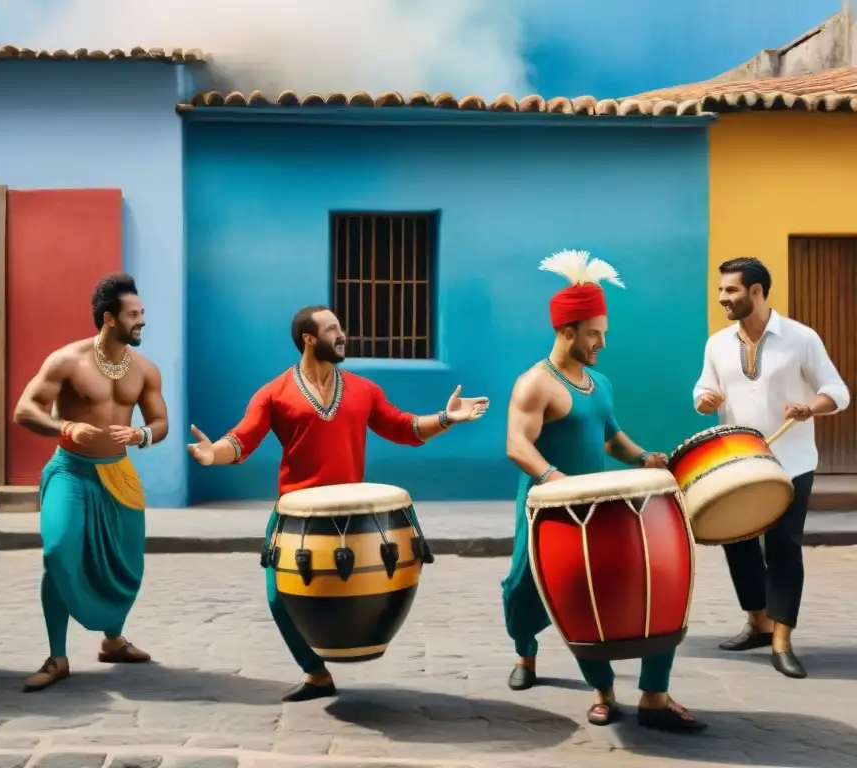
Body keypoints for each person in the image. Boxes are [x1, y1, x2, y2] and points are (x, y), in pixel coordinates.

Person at [187, 304, 489, 703]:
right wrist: (213, 454)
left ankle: (353, 648)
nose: (342, 334)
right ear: (309, 339)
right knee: (279, 599)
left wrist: (446, 418)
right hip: (294, 514)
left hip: (352, 517)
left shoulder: (364, 390)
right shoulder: (274, 393)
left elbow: (405, 428)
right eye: (332, 329)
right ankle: (316, 674)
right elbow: (242, 439)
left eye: (340, 327)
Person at [504, 249, 705, 732]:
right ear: (566, 331)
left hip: (599, 508)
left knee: (614, 589)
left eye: (604, 333)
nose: (602, 343)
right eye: (594, 334)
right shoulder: (535, 384)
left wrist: (643, 458)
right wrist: (557, 482)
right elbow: (517, 445)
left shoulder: (600, 383)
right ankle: (526, 651)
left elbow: (612, 438)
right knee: (523, 595)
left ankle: (624, 694)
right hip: (548, 509)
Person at [693, 257, 849, 679]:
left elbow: (837, 390)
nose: (723, 298)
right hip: (737, 462)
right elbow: (704, 387)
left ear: (757, 291)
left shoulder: (801, 338)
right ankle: (758, 623)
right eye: (721, 290)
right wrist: (704, 399)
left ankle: (782, 640)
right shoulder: (717, 344)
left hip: (791, 463)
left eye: (731, 290)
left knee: (783, 547)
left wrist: (810, 407)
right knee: (737, 542)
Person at [12, 272, 169, 692]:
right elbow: (25, 410)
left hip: (118, 474)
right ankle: (57, 657)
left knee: (124, 563)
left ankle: (113, 641)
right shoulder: (67, 360)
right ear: (109, 318)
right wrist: (64, 427)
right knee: (59, 551)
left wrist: (140, 434)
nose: (141, 321)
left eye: (142, 313)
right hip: (71, 471)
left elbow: (160, 422)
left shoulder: (145, 370)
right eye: (133, 315)